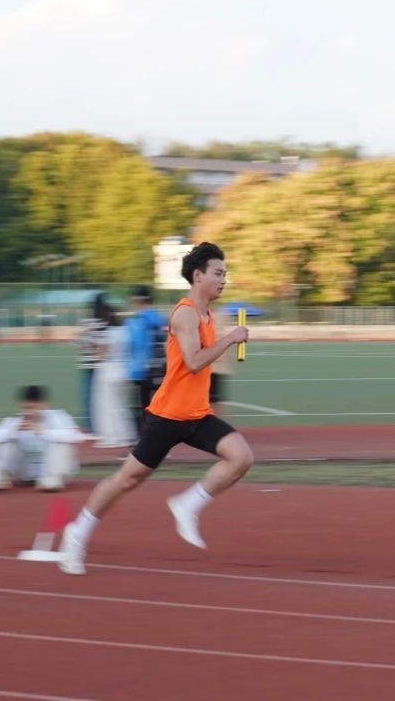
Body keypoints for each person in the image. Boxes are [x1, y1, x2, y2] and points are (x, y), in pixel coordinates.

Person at [58, 242, 253, 575]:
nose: (224, 280)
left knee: (241, 457)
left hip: (197, 414)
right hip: (168, 416)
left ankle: (187, 504)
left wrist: (226, 338)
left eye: (225, 274)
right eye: (218, 273)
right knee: (127, 479)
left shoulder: (207, 315)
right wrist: (230, 339)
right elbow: (193, 362)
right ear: (198, 276)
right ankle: (76, 533)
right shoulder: (185, 314)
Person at [0, 385, 85, 491]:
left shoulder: (58, 416)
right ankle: (1, 478)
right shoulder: (14, 420)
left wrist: (42, 432)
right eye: (25, 408)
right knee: (6, 441)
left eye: (34, 408)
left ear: (44, 406)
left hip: (56, 470)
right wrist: (12, 432)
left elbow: (77, 436)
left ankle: (51, 481)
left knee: (60, 443)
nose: (29, 412)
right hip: (26, 472)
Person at [91, 302, 136, 449]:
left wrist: (95, 350)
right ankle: (126, 435)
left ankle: (111, 437)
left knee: (107, 406)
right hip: (125, 369)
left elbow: (102, 354)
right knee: (122, 406)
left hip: (108, 370)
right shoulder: (125, 330)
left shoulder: (106, 332)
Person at [124, 285, 168, 436]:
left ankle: (143, 441)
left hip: (141, 370)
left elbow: (134, 345)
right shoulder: (160, 318)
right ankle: (158, 440)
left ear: (139, 300)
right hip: (159, 368)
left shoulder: (137, 320)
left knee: (140, 407)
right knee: (157, 407)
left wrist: (131, 371)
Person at [77, 294, 109, 436]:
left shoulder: (87, 322)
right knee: (100, 397)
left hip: (87, 364)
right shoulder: (105, 322)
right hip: (101, 364)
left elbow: (81, 344)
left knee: (87, 396)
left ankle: (90, 425)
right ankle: (100, 424)